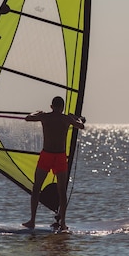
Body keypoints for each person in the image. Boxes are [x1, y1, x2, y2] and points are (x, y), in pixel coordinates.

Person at [22, 96, 85, 230]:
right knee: (62, 191)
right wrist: (75, 117)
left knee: (36, 188)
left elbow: (28, 118)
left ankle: (32, 221)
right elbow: (81, 125)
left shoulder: (45, 117)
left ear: (51, 106)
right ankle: (63, 224)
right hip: (60, 157)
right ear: (62, 107)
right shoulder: (66, 118)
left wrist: (37, 113)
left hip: (47, 155)